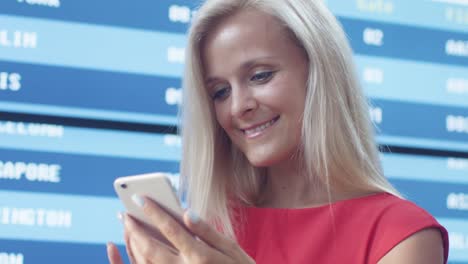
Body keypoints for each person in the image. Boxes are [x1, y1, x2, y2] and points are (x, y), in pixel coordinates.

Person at [107, 0, 449, 263]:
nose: (238, 106)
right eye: (220, 92)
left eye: (259, 76)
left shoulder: (402, 235)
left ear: (319, 73)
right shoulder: (209, 233)